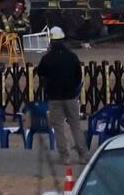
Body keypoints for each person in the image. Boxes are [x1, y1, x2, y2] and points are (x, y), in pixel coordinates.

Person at [35, 26, 89, 166]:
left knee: (58, 127)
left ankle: (65, 157)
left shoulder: (47, 58)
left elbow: (40, 72)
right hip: (71, 96)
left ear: (51, 41)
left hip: (54, 98)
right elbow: (79, 76)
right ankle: (83, 155)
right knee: (75, 125)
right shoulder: (72, 56)